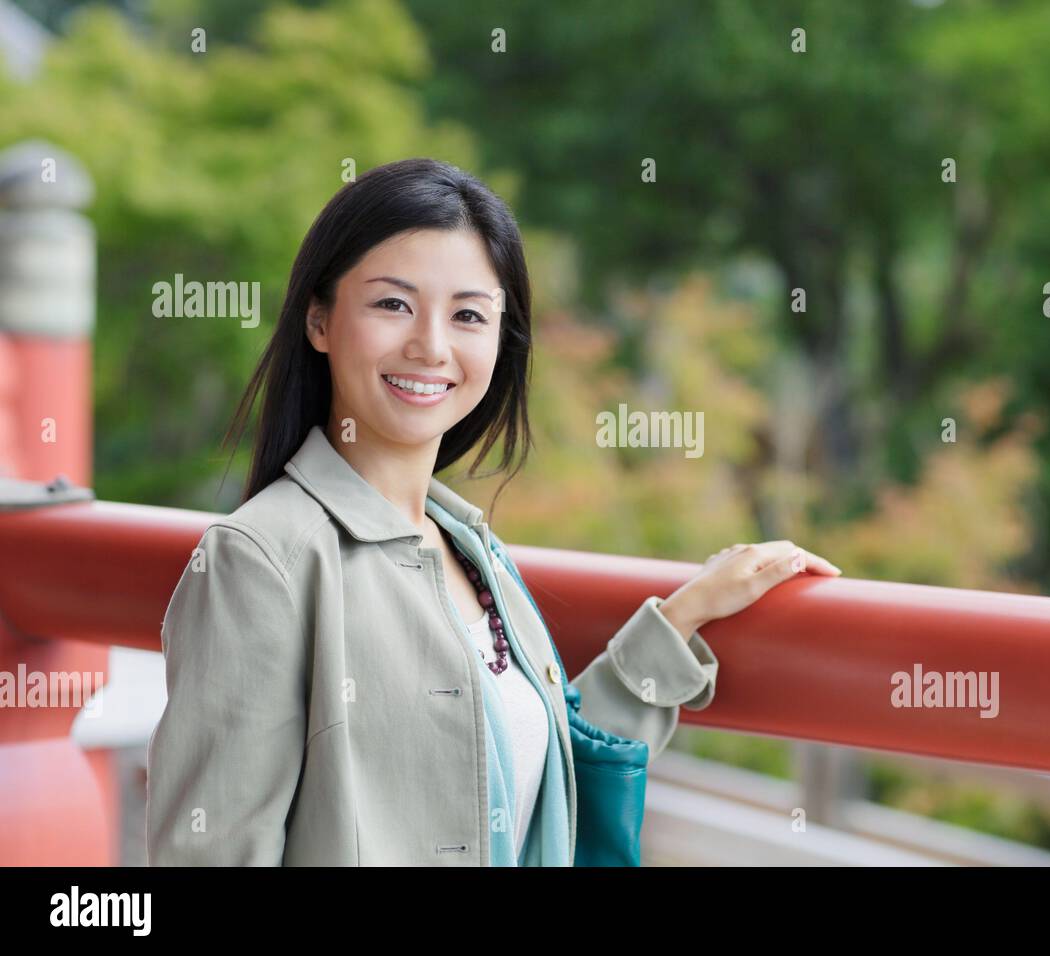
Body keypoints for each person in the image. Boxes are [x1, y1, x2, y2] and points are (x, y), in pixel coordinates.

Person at [144, 158, 840, 866]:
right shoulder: (262, 561)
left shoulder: (469, 549)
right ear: (319, 320)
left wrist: (684, 619)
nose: (432, 346)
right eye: (393, 305)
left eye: (468, 315)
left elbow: (523, 777)